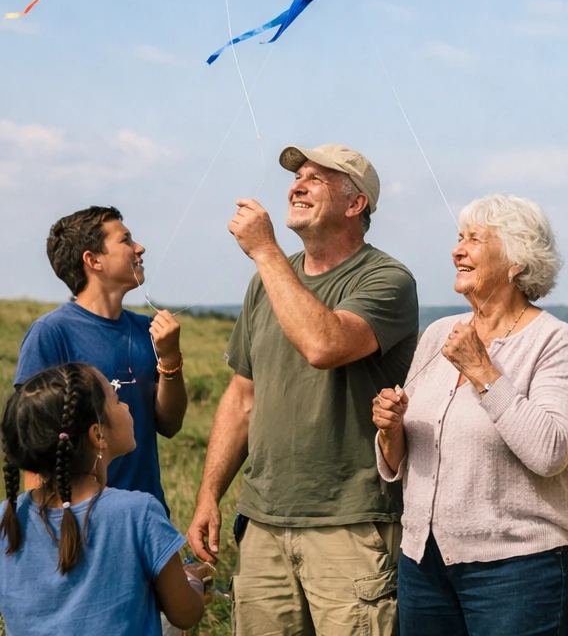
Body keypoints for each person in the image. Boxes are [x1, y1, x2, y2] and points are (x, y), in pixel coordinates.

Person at [187, 143, 418, 636]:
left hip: (349, 525)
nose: (297, 185)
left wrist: (266, 252)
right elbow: (242, 398)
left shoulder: (388, 279)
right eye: (298, 176)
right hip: (263, 520)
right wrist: (210, 495)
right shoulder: (266, 282)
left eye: (317, 179)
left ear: (355, 204)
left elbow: (325, 343)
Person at [372, 194, 568, 636]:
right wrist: (390, 429)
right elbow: (402, 461)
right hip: (423, 562)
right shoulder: (438, 334)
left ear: (516, 261)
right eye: (458, 238)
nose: (457, 249)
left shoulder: (556, 341)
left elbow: (550, 453)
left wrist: (481, 371)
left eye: (474, 239)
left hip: (519, 570)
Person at [0, 362, 208, 636]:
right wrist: (193, 582)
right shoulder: (139, 514)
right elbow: (184, 614)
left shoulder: (7, 516)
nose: (126, 407)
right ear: (98, 435)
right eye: (118, 400)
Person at [15, 206, 186, 510]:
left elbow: (170, 424)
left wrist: (170, 357)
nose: (139, 248)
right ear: (93, 260)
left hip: (145, 513)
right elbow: (33, 443)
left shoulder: (147, 329)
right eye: (125, 240)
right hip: (79, 521)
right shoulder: (51, 333)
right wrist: (45, 526)